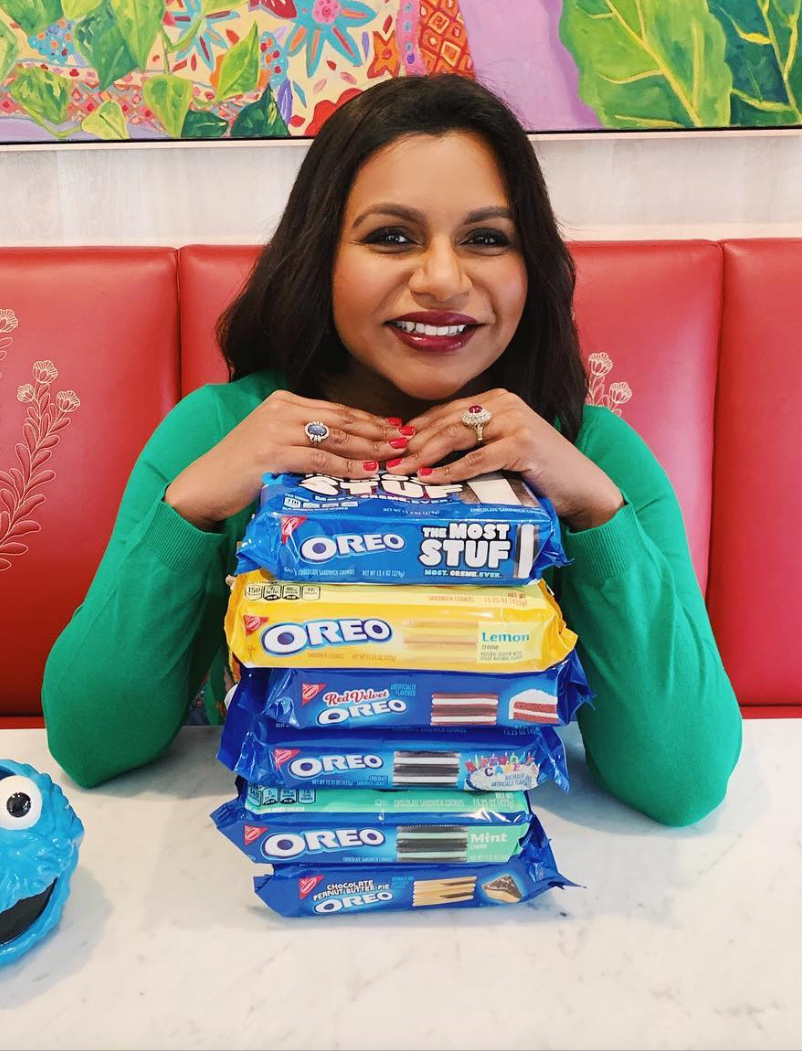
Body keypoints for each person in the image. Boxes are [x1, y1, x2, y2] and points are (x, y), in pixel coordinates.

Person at [42, 74, 741, 825]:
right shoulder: (217, 433)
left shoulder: (593, 455)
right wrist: (191, 510)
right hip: (278, 852)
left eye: (486, 238)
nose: (442, 279)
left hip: (486, 862)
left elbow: (685, 778)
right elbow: (91, 742)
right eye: (391, 236)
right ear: (322, 257)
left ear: (529, 267)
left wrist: (592, 508)